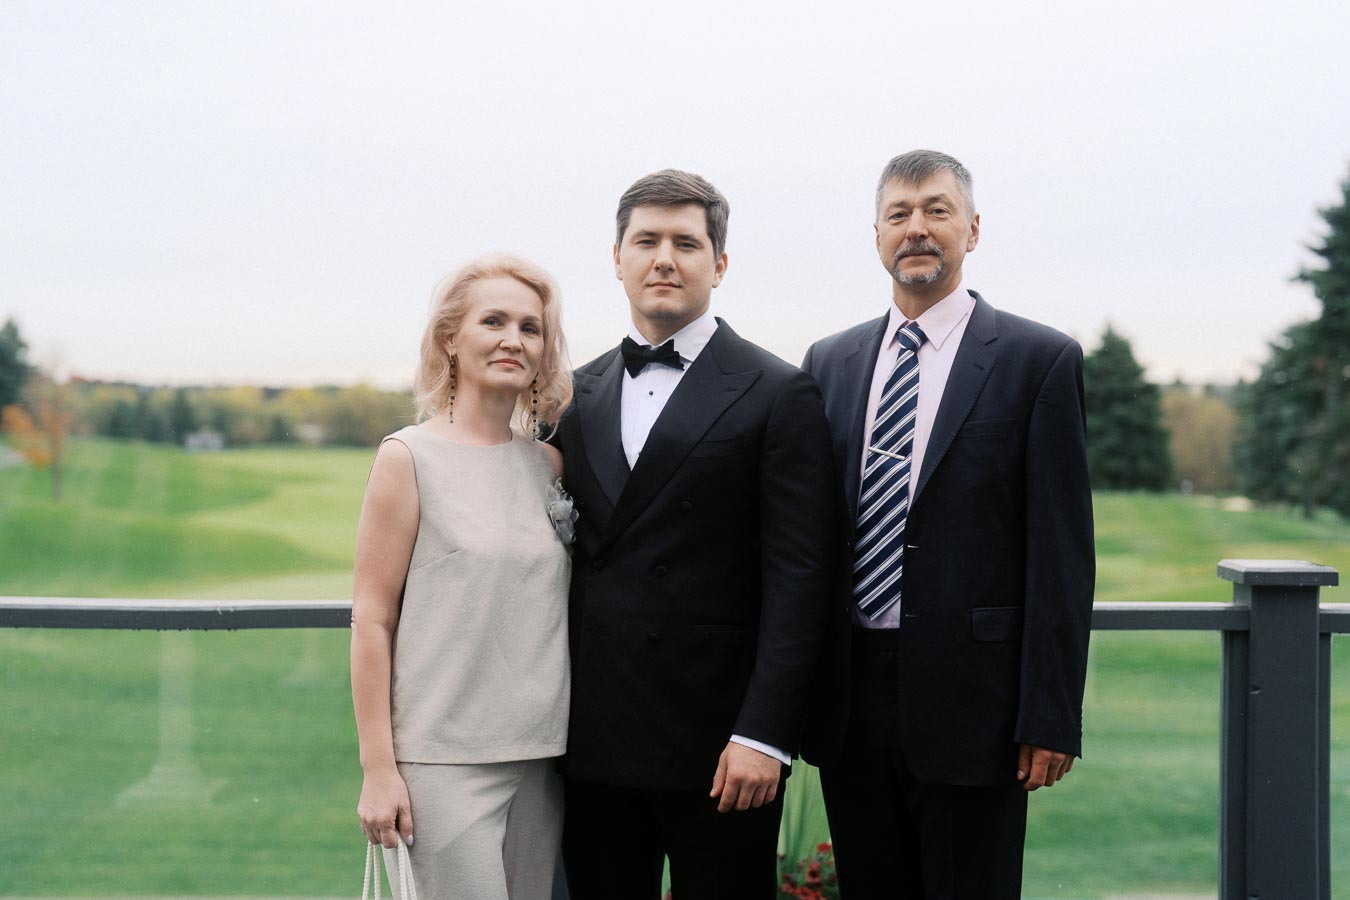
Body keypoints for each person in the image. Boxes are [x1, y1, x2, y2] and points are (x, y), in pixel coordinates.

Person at [800, 150, 1095, 898]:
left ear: (972, 228)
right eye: (899, 215)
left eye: (936, 210)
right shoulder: (827, 364)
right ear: (876, 237)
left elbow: (1062, 556)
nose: (918, 229)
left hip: (979, 704)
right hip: (850, 700)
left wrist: (1051, 715)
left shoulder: (1039, 361)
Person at [551, 169, 837, 898]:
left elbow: (802, 580)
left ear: (720, 263)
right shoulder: (572, 396)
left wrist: (764, 734)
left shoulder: (778, 392)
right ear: (617, 257)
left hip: (721, 751)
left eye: (687, 242)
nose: (664, 258)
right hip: (591, 744)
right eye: (646, 241)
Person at [350, 253, 575, 900]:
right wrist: (379, 770)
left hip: (542, 757)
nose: (514, 339)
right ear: (451, 337)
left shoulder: (549, 466)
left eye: (531, 328)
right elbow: (372, 618)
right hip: (442, 764)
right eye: (494, 321)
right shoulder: (408, 458)